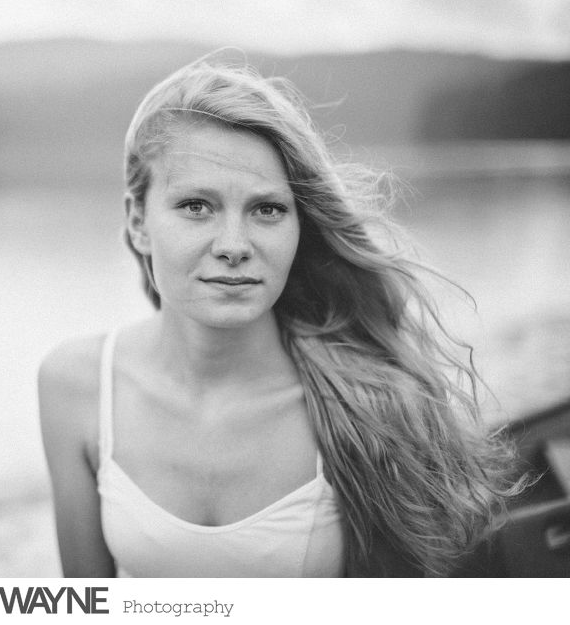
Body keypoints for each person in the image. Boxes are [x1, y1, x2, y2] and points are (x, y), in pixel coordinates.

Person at [37, 52, 523, 577]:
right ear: (138, 221)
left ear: (298, 225)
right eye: (196, 206)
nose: (234, 246)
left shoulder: (370, 403)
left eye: (267, 209)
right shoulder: (78, 387)